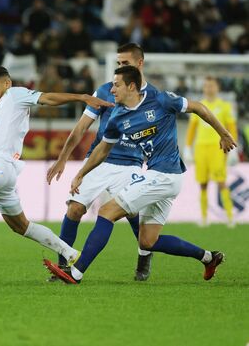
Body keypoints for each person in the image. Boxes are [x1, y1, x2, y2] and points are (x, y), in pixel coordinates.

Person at [44, 65, 235, 284]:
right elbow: (102, 149)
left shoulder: (161, 100)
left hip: (166, 175)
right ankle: (209, 258)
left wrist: (223, 133)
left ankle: (75, 273)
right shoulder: (118, 116)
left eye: (116, 85)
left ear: (131, 86)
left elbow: (198, 107)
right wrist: (81, 173)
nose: (112, 90)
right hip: (160, 176)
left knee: (107, 211)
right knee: (147, 241)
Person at [0, 66, 114, 280]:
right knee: (21, 226)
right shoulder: (3, 109)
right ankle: (70, 253)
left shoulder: (14, 94)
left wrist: (81, 97)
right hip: (1, 171)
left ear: (7, 83)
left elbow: (47, 98)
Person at [46, 43, 158, 281]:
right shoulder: (106, 91)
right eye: (118, 63)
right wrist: (62, 158)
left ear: (139, 64)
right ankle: (63, 267)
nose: (120, 67)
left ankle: (143, 257)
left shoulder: (154, 97)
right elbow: (80, 128)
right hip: (99, 161)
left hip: (131, 164)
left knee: (133, 214)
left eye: (125, 63)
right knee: (74, 208)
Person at [184, 76, 238, 227]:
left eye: (212, 86)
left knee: (221, 182)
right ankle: (204, 218)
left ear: (218, 88)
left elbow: (232, 127)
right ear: (203, 88)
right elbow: (192, 129)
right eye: (206, 86)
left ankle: (229, 216)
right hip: (201, 148)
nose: (209, 88)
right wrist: (188, 147)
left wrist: (233, 149)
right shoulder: (198, 105)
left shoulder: (225, 106)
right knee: (203, 183)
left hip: (218, 148)